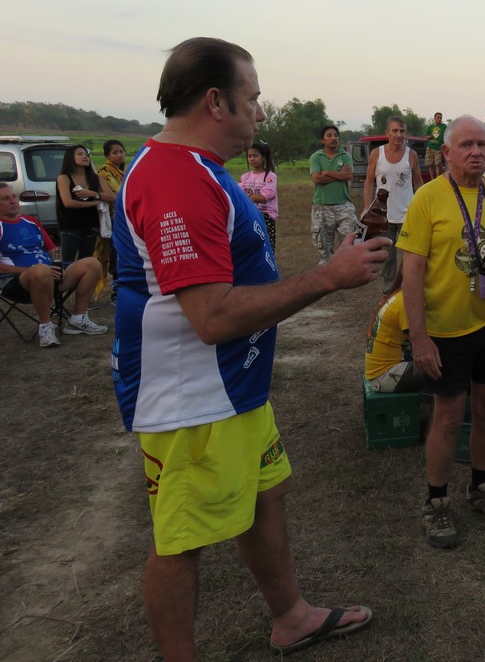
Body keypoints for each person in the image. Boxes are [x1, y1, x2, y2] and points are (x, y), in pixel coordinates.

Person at [112, 38, 388, 659]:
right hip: (192, 398)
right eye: (254, 98)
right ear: (216, 102)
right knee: (181, 540)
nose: (261, 113)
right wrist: (327, 277)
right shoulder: (176, 179)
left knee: (266, 495)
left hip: (231, 387)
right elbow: (211, 317)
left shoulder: (200, 168)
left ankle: (290, 616)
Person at [398, 115, 485, 548]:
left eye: (480, 144)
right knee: (449, 416)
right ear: (446, 152)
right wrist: (419, 337)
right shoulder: (427, 198)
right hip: (446, 330)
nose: (476, 151)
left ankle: (481, 487)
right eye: (466, 145)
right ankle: (436, 502)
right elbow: (411, 274)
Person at [0, 181, 109, 346]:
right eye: (6, 199)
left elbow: (52, 249)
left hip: (50, 275)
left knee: (92, 263)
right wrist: (34, 270)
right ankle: (45, 327)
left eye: (14, 196)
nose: (13, 201)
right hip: (17, 282)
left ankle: (78, 319)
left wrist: (58, 265)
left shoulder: (31, 221)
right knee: (41, 271)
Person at [364, 116, 423, 292]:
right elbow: (369, 182)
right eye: (395, 130)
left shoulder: (411, 155)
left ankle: (408, 287)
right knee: (388, 256)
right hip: (384, 216)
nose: (398, 134)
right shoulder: (377, 154)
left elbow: (418, 182)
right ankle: (388, 290)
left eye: (402, 131)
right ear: (387, 133)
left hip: (408, 215)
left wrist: (422, 208)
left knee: (411, 255)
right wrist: (367, 208)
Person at [364, 268, 426, 392]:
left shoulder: (399, 295)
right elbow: (421, 345)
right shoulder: (406, 303)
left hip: (382, 371)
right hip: (385, 376)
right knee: (447, 365)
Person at [56, 144, 114, 263]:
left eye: (86, 155)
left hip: (91, 225)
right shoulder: (64, 178)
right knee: (68, 262)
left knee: (86, 262)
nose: (85, 157)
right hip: (70, 226)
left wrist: (93, 194)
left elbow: (112, 197)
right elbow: (68, 203)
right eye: (80, 154)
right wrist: (94, 203)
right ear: (70, 158)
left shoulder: (96, 178)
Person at [309, 125, 357, 264]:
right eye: (329, 135)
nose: (333, 138)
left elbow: (348, 175)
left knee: (349, 244)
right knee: (324, 249)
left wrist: (328, 173)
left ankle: (347, 272)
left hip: (344, 206)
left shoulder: (345, 156)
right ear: (322, 140)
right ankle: (328, 273)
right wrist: (339, 174)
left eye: (336, 135)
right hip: (321, 207)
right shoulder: (316, 157)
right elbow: (317, 179)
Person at [93, 139, 126, 301]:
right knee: (116, 254)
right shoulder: (105, 172)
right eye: (115, 152)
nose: (119, 155)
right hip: (114, 219)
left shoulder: (122, 171)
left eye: (121, 151)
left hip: (125, 219)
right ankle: (116, 290)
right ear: (107, 155)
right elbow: (119, 194)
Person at [239, 141, 278, 253]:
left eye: (255, 156)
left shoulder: (270, 176)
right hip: (249, 214)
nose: (252, 159)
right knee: (251, 244)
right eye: (249, 156)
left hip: (266, 215)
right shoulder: (245, 177)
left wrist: (247, 196)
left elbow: (265, 196)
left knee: (267, 245)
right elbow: (239, 193)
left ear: (263, 157)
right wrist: (252, 196)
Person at [425, 111, 445, 179]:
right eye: (438, 117)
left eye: (441, 118)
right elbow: (426, 137)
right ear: (434, 118)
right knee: (430, 164)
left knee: (438, 164)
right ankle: (432, 179)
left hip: (438, 148)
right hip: (430, 147)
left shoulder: (444, 126)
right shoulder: (430, 127)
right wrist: (430, 137)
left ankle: (437, 178)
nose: (439, 119)